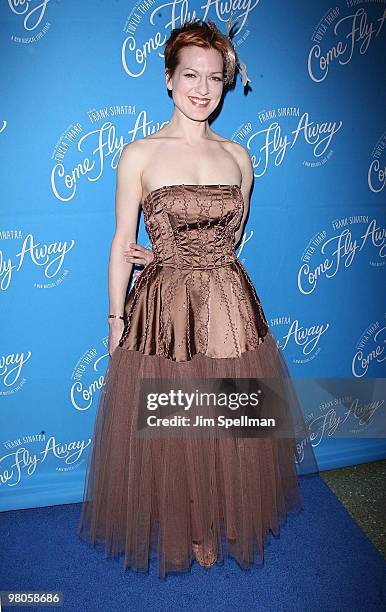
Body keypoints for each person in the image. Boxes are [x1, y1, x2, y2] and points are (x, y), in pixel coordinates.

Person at [77, 19, 318, 579]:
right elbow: (121, 243)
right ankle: (191, 523)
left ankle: (226, 510)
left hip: (230, 304)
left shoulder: (240, 157)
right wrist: (116, 318)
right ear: (168, 79)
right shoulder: (139, 154)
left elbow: (226, 240)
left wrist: (180, 253)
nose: (202, 89)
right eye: (190, 75)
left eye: (214, 77)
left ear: (225, 83)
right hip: (163, 309)